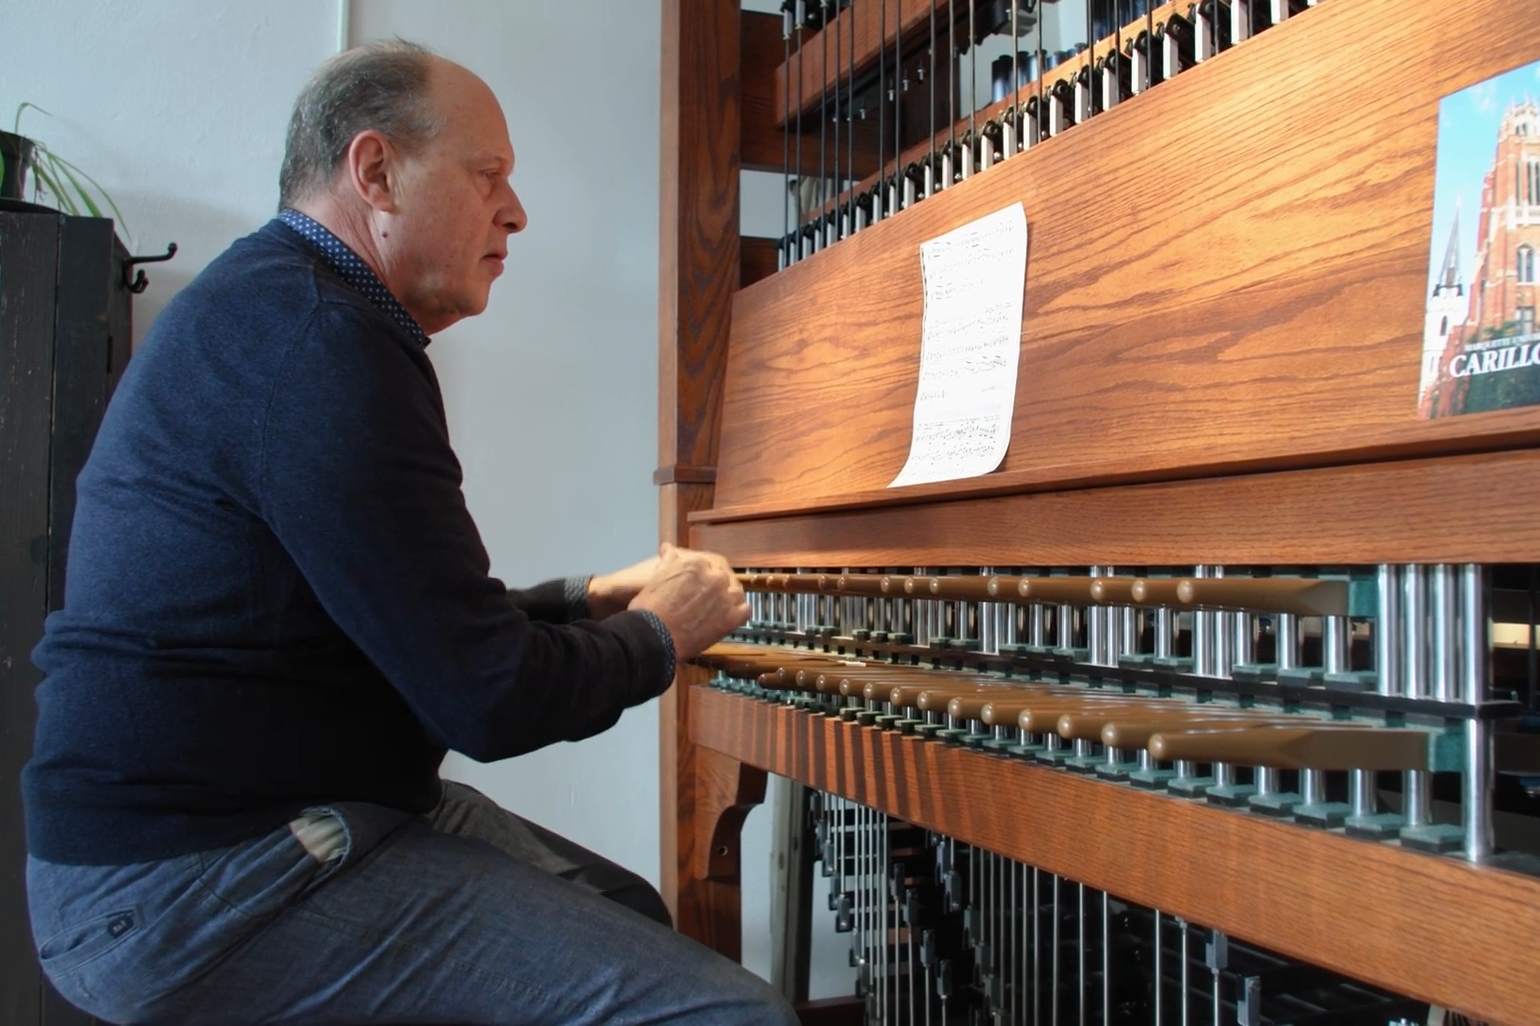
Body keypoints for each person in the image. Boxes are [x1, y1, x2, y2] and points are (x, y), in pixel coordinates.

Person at [23, 40, 795, 1026]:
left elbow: (401, 622)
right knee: (730, 1015)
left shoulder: (288, 307)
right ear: (376, 172)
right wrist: (660, 635)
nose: (515, 212)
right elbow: (488, 700)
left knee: (623, 908)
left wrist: (586, 599)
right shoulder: (317, 340)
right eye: (488, 176)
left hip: (230, 829)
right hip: (187, 879)